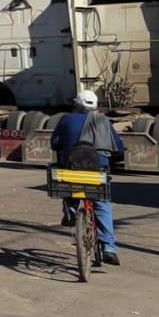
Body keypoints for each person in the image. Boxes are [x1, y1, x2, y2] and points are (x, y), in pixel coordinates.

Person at [50, 89, 124, 266]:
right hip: (97, 171)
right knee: (102, 204)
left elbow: (54, 144)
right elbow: (119, 148)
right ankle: (109, 248)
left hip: (72, 171)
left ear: (77, 104)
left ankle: (71, 210)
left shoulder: (66, 119)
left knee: (68, 185)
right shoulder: (104, 121)